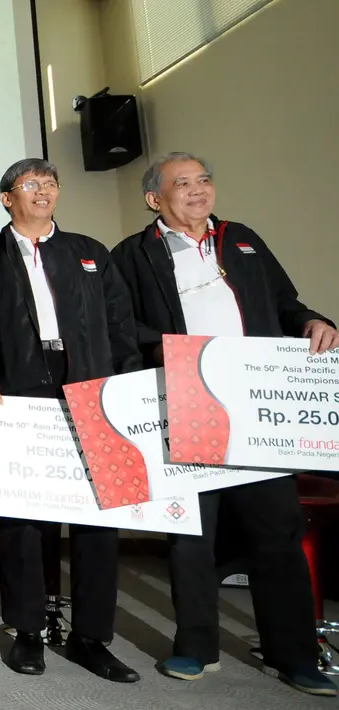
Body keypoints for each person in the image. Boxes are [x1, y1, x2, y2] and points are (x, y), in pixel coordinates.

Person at [110, 152, 339, 696]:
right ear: (154, 198)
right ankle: (195, 646)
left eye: (203, 180)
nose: (197, 191)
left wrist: (314, 320)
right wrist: (168, 355)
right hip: (186, 405)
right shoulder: (132, 254)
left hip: (255, 406)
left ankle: (296, 655)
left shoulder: (244, 241)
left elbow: (286, 302)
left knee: (277, 532)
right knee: (192, 535)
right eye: (182, 183)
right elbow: (122, 327)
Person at [0, 158, 140, 683]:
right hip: (19, 394)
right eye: (30, 185)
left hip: (91, 391)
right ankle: (28, 631)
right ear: (6, 198)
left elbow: (120, 324)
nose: (42, 192)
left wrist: (125, 386)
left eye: (50, 183)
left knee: (96, 516)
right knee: (23, 519)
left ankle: (91, 636)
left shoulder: (89, 252)